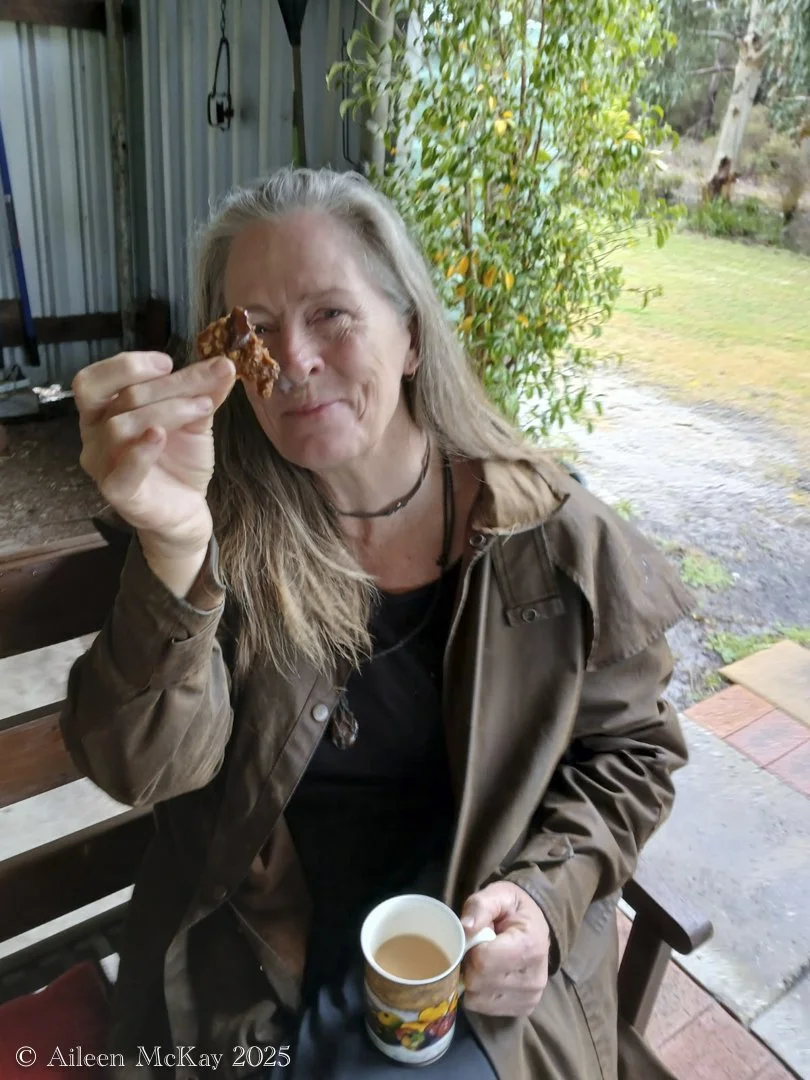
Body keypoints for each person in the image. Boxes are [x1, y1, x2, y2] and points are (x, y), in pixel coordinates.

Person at [62, 167, 692, 1080]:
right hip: (263, 943)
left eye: (331, 314)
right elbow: (138, 769)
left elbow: (634, 751)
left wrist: (544, 900)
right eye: (261, 331)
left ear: (409, 336)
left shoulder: (549, 539)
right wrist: (171, 550)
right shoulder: (216, 531)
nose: (296, 360)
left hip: (470, 942)